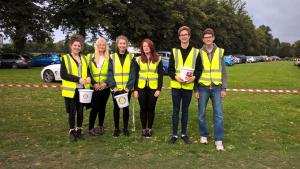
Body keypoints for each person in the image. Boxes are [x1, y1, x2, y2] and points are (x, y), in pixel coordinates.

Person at [194, 28, 227, 151]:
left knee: (218, 115)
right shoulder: (198, 52)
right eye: (206, 37)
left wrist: (224, 87)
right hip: (203, 88)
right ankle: (204, 135)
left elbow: (223, 71)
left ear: (213, 38)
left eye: (210, 37)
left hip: (217, 88)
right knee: (201, 113)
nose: (208, 39)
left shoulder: (220, 52)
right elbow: (196, 72)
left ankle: (219, 140)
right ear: (203, 39)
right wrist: (195, 89)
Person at [168, 26, 202, 144]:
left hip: (188, 86)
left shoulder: (196, 52)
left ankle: (183, 134)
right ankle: (174, 135)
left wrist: (193, 77)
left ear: (189, 36)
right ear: (179, 37)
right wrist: (175, 77)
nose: (184, 36)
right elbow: (170, 69)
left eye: (186, 34)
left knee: (185, 110)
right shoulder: (174, 51)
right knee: (176, 110)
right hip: (176, 87)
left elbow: (199, 69)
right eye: (181, 35)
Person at [60, 34, 91, 142]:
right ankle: (72, 131)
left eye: (79, 45)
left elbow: (88, 72)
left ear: (81, 47)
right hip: (71, 90)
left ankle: (79, 131)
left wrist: (88, 77)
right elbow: (63, 75)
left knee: (81, 111)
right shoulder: (65, 58)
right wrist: (78, 79)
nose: (77, 47)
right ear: (70, 45)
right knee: (72, 111)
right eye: (75, 45)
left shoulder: (84, 58)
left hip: (82, 89)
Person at [133, 39, 163, 138]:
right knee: (143, 108)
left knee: (151, 109)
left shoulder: (158, 59)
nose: (145, 47)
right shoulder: (137, 59)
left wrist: (159, 89)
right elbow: (136, 75)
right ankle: (143, 129)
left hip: (153, 88)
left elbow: (160, 75)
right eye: (144, 46)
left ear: (151, 47)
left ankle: (149, 129)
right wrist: (136, 90)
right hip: (141, 87)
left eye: (147, 46)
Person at [107, 35, 135, 137]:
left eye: (124, 43)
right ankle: (117, 129)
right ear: (117, 44)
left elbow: (133, 73)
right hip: (116, 89)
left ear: (126, 44)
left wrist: (129, 86)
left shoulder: (131, 57)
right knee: (116, 108)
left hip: (127, 89)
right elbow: (109, 73)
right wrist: (113, 86)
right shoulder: (112, 57)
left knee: (126, 108)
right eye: (120, 43)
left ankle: (125, 128)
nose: (122, 45)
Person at [86, 37, 111, 136]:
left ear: (106, 46)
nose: (101, 46)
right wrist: (94, 83)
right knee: (94, 108)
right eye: (99, 44)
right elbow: (87, 71)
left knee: (102, 108)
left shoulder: (109, 58)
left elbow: (111, 73)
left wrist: (106, 83)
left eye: (103, 45)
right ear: (96, 46)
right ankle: (91, 128)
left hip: (105, 87)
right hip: (94, 87)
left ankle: (100, 126)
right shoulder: (90, 57)